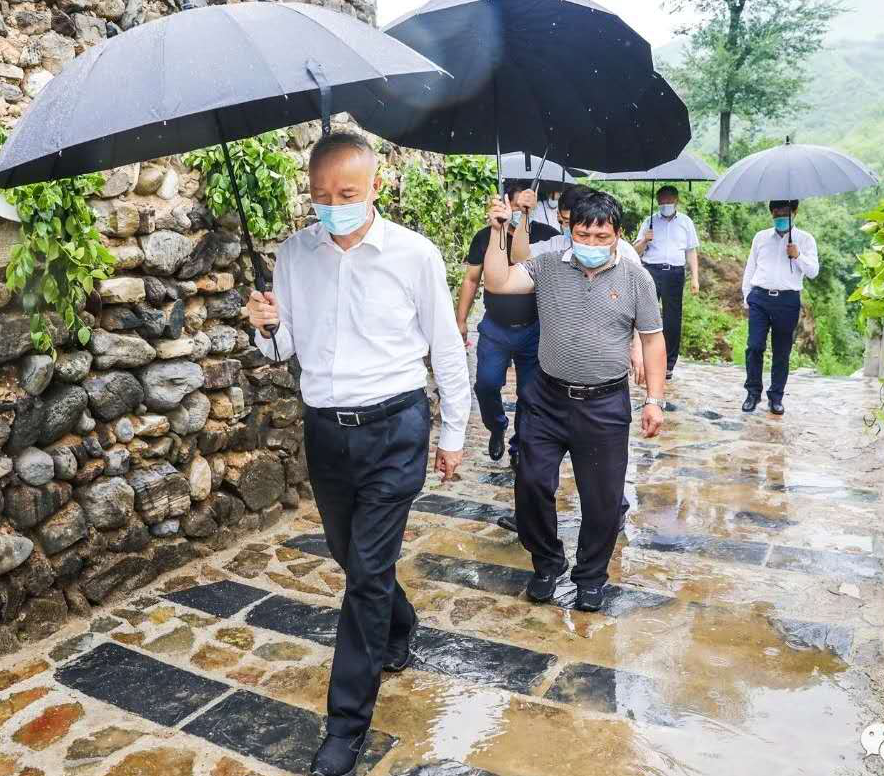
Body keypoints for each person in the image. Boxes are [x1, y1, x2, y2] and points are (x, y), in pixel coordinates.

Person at [246, 131, 470, 776]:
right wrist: (265, 326)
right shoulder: (295, 253)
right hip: (326, 431)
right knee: (352, 558)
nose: (333, 205)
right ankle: (398, 624)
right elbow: (283, 348)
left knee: (366, 573)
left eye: (347, 193)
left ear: (376, 187)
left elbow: (444, 343)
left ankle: (345, 729)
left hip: (395, 428)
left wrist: (454, 431)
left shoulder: (413, 254)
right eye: (320, 195)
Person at [482, 190, 666, 612]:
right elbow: (498, 281)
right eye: (583, 235)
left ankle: (591, 577)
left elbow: (653, 340)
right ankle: (547, 563)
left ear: (618, 235)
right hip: (546, 399)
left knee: (603, 500)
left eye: (602, 237)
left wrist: (654, 399)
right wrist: (498, 231)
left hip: (604, 406)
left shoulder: (636, 279)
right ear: (569, 230)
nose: (592, 244)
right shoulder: (547, 266)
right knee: (530, 484)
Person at [493, 184, 644, 535]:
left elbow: (640, 306)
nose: (584, 239)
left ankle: (614, 507)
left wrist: (636, 346)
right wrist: (522, 217)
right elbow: (519, 257)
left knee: (602, 461)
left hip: (601, 375)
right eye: (567, 224)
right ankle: (531, 516)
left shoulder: (623, 255)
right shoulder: (555, 249)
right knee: (537, 450)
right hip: (553, 363)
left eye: (596, 233)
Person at [456, 182, 558, 467]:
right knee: (486, 385)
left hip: (533, 329)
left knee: (530, 393)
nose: (517, 210)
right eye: (513, 205)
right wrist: (460, 320)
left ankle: (519, 446)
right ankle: (496, 425)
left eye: (524, 205)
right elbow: (472, 279)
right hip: (495, 328)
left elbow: (531, 265)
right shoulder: (484, 236)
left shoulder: (546, 236)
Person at [741, 200, 819, 415]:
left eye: (784, 213)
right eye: (776, 213)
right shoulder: (760, 237)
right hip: (760, 298)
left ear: (794, 212)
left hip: (788, 300)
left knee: (782, 351)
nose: (780, 217)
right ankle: (752, 393)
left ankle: (776, 397)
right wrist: (747, 296)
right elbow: (750, 267)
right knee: (754, 346)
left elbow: (813, 271)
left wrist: (798, 255)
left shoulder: (805, 239)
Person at [634, 185, 701, 379]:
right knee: (646, 314)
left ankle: (668, 364)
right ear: (657, 202)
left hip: (675, 273)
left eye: (669, 201)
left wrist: (695, 278)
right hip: (651, 270)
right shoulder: (649, 221)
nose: (666, 205)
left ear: (676, 201)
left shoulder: (686, 222)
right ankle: (643, 358)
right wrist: (645, 240)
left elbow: (691, 251)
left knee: (673, 318)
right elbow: (635, 251)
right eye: (662, 201)